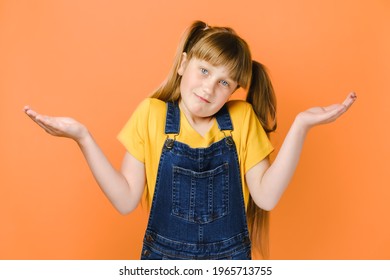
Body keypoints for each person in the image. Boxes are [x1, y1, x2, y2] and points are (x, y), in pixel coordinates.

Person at [24, 20, 357, 260]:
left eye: (225, 82)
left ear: (235, 90)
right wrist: (82, 137)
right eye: (205, 71)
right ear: (184, 64)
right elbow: (126, 200)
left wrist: (301, 125)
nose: (210, 89)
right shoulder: (151, 114)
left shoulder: (241, 120)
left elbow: (266, 198)